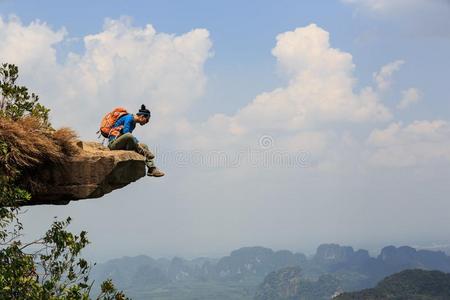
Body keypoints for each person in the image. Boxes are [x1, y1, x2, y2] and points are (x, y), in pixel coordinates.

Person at [108, 104, 165, 177]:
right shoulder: (129, 118)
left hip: (122, 144)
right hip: (113, 144)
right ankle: (144, 152)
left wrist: (138, 145)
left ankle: (152, 169)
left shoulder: (133, 124)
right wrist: (138, 145)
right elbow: (126, 134)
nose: (146, 122)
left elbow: (129, 139)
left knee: (144, 145)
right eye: (146, 120)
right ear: (142, 117)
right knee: (129, 136)